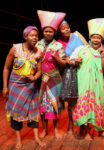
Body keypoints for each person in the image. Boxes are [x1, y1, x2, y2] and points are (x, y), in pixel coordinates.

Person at [70, 18, 104, 140]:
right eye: (94, 37)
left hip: (98, 85)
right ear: (90, 38)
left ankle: (101, 131)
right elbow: (70, 61)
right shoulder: (80, 49)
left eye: (98, 38)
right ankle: (86, 131)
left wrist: (103, 55)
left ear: (101, 39)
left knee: (99, 105)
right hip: (83, 84)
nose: (95, 40)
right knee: (84, 106)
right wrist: (74, 61)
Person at [2, 26, 45, 148]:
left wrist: (35, 77)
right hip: (16, 85)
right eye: (32, 35)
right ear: (25, 36)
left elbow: (39, 71)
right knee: (16, 111)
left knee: (33, 111)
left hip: (30, 87)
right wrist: (5, 87)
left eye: (36, 36)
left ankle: (36, 137)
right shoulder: (15, 49)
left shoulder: (38, 51)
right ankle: (18, 139)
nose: (35, 38)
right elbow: (6, 68)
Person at [36, 10, 66, 139]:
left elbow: (64, 63)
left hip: (54, 79)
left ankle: (56, 130)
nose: (47, 33)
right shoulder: (38, 44)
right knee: (42, 107)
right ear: (43, 32)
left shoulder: (58, 45)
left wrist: (56, 58)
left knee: (55, 106)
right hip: (41, 80)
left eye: (50, 31)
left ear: (54, 32)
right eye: (45, 31)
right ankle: (44, 130)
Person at [57, 20, 88, 136]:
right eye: (63, 28)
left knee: (83, 98)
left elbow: (87, 48)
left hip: (83, 68)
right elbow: (63, 60)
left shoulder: (77, 35)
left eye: (67, 27)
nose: (66, 30)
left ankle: (84, 126)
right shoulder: (59, 43)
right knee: (71, 101)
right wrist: (69, 60)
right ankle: (71, 124)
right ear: (59, 31)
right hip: (69, 72)